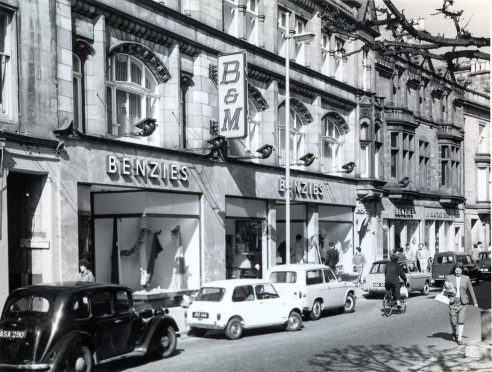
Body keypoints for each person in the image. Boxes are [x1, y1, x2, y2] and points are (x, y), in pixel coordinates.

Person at [444, 263, 478, 345]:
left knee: (461, 321)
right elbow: (445, 289)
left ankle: (459, 339)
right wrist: (447, 290)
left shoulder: (466, 278)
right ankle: (454, 331)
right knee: (453, 322)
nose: (458, 270)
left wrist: (475, 302)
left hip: (463, 303)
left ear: (462, 270)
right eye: (456, 268)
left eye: (460, 268)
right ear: (454, 269)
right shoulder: (449, 277)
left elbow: (471, 290)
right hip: (452, 302)